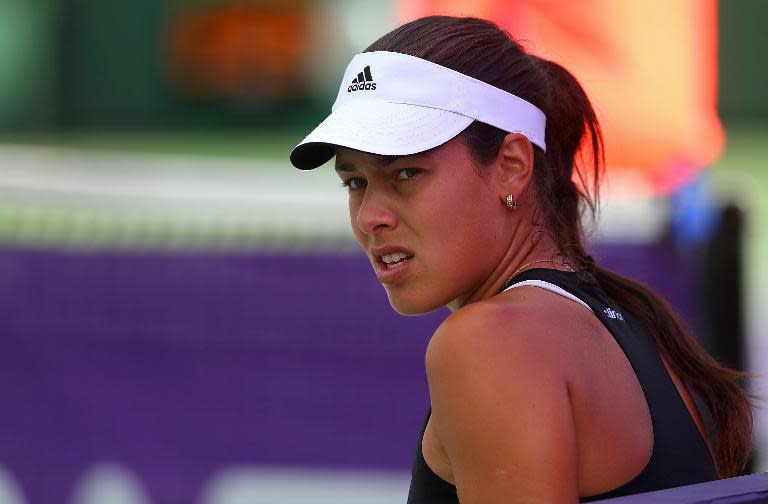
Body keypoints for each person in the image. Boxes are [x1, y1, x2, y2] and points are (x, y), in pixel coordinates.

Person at [289, 15, 752, 503]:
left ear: (512, 166)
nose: (370, 217)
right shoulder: (638, 323)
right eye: (355, 182)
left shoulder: (489, 342)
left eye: (407, 173)